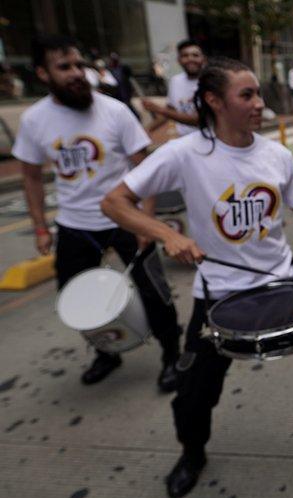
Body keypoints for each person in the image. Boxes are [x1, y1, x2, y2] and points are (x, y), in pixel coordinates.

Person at [100, 58, 293, 498]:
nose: (259, 103)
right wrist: (167, 234)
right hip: (219, 292)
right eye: (247, 95)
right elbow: (115, 202)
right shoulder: (185, 154)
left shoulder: (277, 155)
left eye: (259, 93)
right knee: (193, 391)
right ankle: (192, 453)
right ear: (212, 101)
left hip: (283, 279)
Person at [13, 35, 182, 390]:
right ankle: (107, 353)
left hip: (126, 221)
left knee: (154, 292)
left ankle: (172, 354)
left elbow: (145, 169)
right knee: (79, 298)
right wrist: (41, 228)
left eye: (79, 65)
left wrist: (147, 224)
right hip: (74, 226)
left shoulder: (115, 111)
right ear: (43, 73)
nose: (77, 73)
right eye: (65, 67)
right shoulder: (34, 120)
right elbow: (30, 176)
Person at [143, 39, 205, 137]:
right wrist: (147, 130)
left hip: (210, 140)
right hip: (184, 139)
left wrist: (158, 109)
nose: (190, 59)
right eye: (185, 55)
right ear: (178, 60)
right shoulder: (175, 81)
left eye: (195, 55)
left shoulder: (212, 82)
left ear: (204, 58)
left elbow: (200, 120)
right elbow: (171, 110)